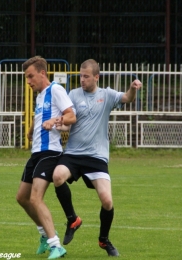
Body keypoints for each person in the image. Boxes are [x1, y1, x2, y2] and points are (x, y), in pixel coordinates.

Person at [53, 59, 142, 256]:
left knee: (107, 201)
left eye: (86, 76)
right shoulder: (73, 95)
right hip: (74, 154)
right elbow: (68, 123)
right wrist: (61, 126)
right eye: (80, 76)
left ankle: (103, 240)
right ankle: (72, 220)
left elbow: (127, 98)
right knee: (57, 176)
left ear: (96, 77)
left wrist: (133, 88)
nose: (82, 80)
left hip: (96, 157)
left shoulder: (107, 95)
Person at [16, 56, 76, 259]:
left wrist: (54, 120)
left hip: (50, 152)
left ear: (43, 73)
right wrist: (32, 129)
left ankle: (56, 245)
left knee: (35, 198)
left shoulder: (56, 90)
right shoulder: (40, 95)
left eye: (31, 76)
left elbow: (71, 116)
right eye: (26, 77)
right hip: (36, 153)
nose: (28, 81)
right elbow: (39, 116)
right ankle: (44, 234)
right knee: (22, 198)